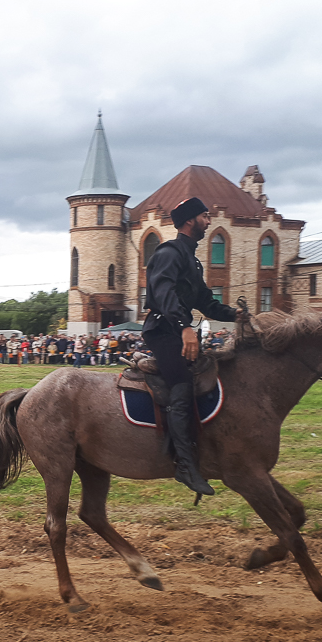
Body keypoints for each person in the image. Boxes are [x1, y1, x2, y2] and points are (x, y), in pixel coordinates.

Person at [142, 198, 243, 496]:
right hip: (164, 331)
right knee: (182, 386)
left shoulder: (192, 260)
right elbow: (163, 292)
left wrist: (236, 315)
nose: (209, 221)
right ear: (189, 221)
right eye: (204, 216)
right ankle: (185, 466)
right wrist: (184, 327)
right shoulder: (169, 253)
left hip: (179, 330)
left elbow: (205, 302)